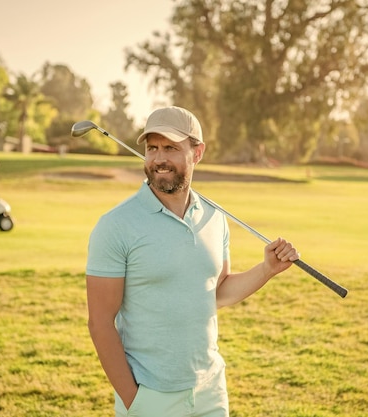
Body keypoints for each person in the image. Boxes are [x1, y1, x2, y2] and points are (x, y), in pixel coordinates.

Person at [85, 106, 299, 416]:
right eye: (152, 148)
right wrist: (135, 400)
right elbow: (100, 322)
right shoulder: (116, 225)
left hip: (209, 390)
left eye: (170, 147)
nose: (159, 158)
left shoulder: (214, 217)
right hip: (150, 394)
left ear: (197, 152)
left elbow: (216, 292)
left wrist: (266, 270)